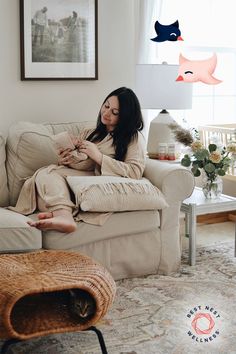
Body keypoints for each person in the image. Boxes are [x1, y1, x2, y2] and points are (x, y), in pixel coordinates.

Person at [11, 87, 146, 233]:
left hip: (94, 185)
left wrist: (98, 156)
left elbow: (135, 172)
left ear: (126, 116)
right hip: (73, 182)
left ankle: (63, 215)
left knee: (47, 175)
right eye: (106, 106)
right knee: (43, 180)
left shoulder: (133, 138)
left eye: (115, 112)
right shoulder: (90, 132)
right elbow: (78, 164)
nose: (106, 113)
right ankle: (63, 214)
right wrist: (67, 158)